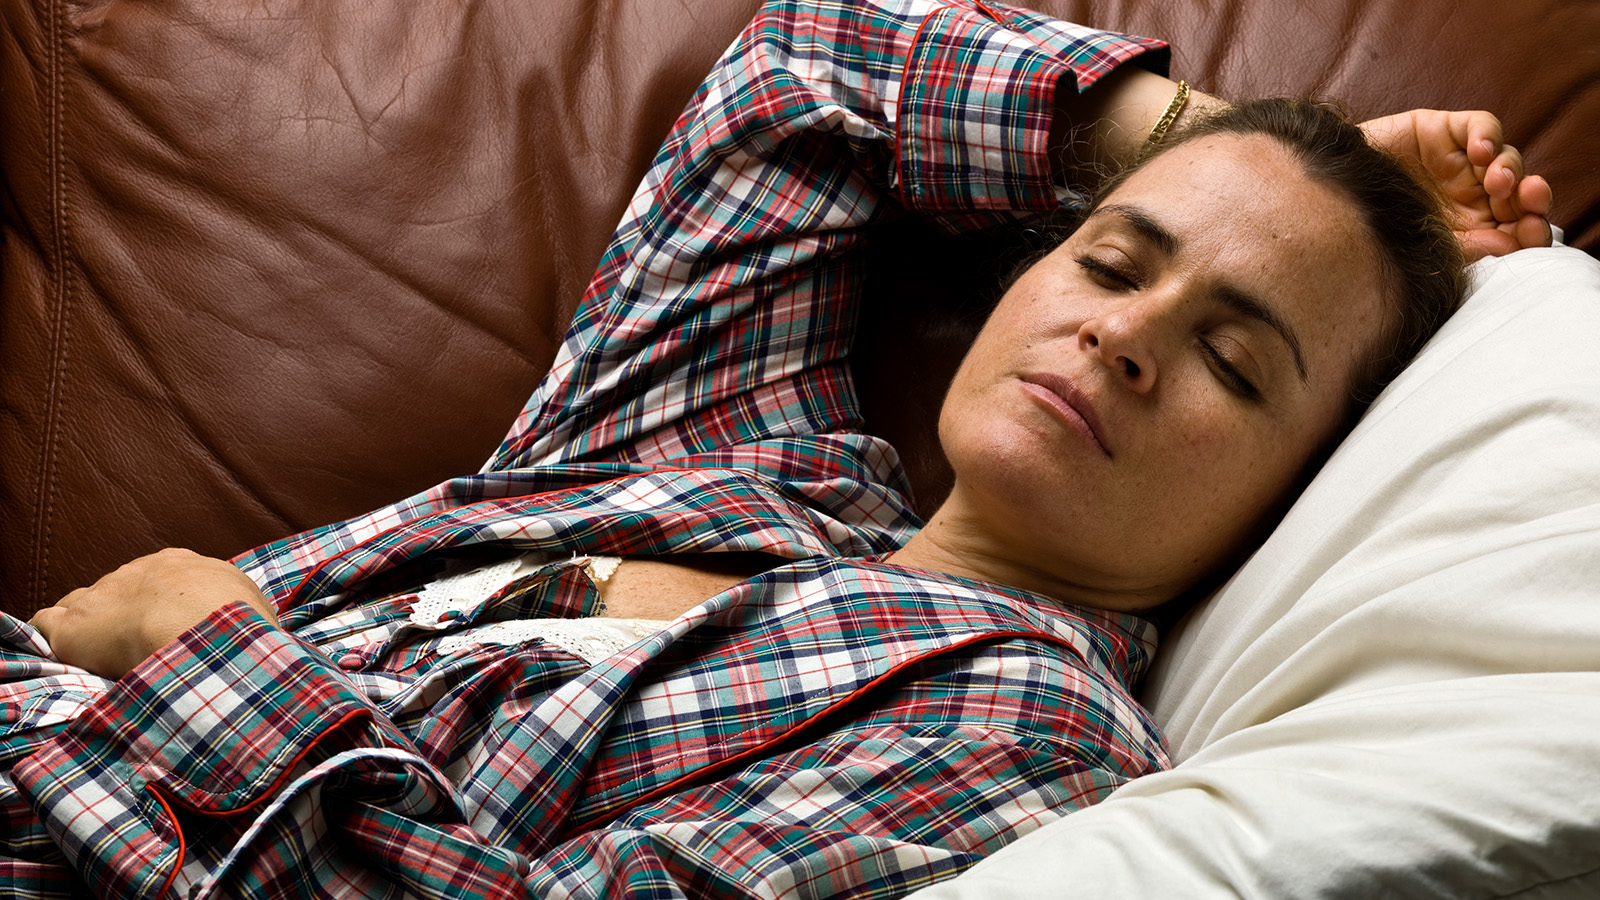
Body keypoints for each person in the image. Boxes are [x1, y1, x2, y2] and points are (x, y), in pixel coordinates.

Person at [3, 0, 1551, 897]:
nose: (1125, 335)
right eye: (1114, 259)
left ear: (1298, 481)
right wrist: (1247, 158)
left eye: (1233, 356)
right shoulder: (742, 455)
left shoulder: (1029, 735)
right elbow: (807, 72)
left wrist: (200, 652)